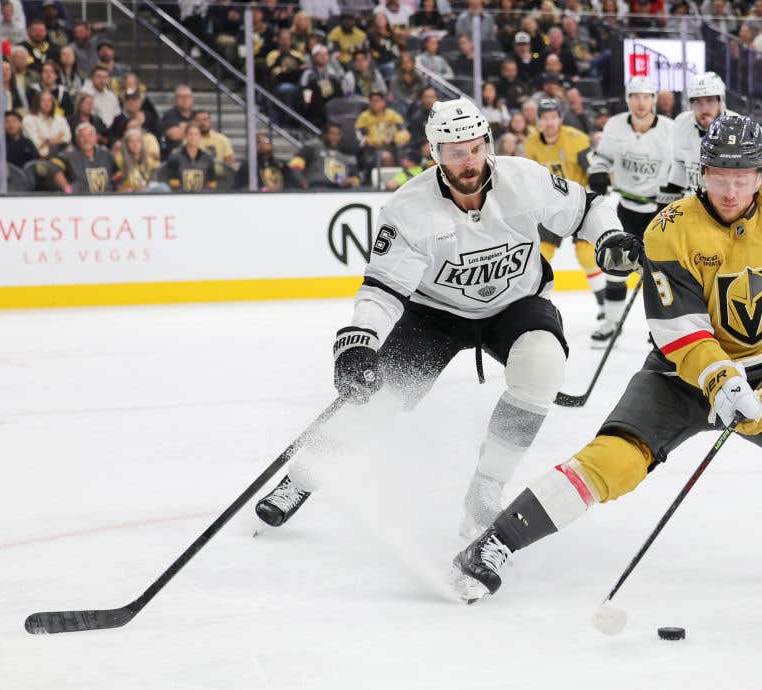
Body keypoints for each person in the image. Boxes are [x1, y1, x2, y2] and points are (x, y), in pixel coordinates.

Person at [451, 115, 762, 603]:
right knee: (615, 462)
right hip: (680, 375)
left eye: (742, 177)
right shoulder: (669, 230)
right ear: (701, 173)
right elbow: (680, 331)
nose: (730, 190)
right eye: (719, 176)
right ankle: (494, 544)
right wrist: (722, 381)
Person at [253, 98, 638, 539]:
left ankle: (487, 487)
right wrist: (360, 340)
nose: (469, 161)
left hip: (515, 304)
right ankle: (300, 478)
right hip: (435, 313)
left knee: (543, 367)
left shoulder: (523, 179)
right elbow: (382, 290)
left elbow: (587, 208)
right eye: (455, 152)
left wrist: (609, 237)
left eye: (475, 148)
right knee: (376, 397)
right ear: (434, 152)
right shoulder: (408, 208)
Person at [587, 75, 675, 345]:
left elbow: (679, 168)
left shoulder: (670, 129)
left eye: (646, 96)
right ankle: (612, 323)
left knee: (661, 272)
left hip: (659, 210)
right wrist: (599, 172)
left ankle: (662, 329)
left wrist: (671, 196)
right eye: (635, 97)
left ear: (654, 100)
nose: (640, 103)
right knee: (616, 264)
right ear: (628, 99)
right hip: (626, 208)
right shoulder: (615, 125)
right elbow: (602, 158)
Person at [524, 97, 608, 339]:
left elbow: (594, 168)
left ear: (560, 118)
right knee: (541, 257)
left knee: (585, 255)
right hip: (549, 209)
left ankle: (604, 305)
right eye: (544, 117)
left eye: (553, 117)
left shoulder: (576, 139)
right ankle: (534, 306)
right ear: (538, 120)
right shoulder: (531, 144)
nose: (549, 122)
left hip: (578, 205)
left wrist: (599, 179)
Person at [665, 71, 762, 198]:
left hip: (731, 203)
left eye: (710, 101)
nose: (704, 109)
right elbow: (679, 166)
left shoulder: (744, 128)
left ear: (721, 101)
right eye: (698, 102)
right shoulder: (681, 123)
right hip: (696, 205)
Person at [288, 122, 362, 189]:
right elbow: (294, 166)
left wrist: (350, 181)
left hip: (339, 193)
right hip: (316, 189)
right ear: (324, 135)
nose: (335, 137)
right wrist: (302, 183)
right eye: (332, 134)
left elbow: (357, 178)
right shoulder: (313, 148)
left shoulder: (344, 155)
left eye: (338, 134)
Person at [55, 122, 115, 193]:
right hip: (80, 198)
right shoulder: (68, 156)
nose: (87, 140)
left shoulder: (106, 154)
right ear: (76, 139)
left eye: (90, 136)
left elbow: (118, 174)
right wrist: (68, 190)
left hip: (108, 198)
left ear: (96, 138)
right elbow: (54, 169)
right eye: (82, 136)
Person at [235, 131, 300, 191]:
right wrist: (263, 190)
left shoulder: (281, 165)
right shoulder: (247, 166)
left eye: (267, 142)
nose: (264, 145)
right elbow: (239, 189)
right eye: (259, 142)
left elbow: (292, 185)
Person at [165, 121, 217, 192]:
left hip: (203, 196)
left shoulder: (208, 157)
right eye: (190, 134)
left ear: (200, 137)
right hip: (180, 196)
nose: (193, 137)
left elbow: (212, 184)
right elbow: (173, 184)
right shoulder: (175, 156)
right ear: (185, 136)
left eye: (196, 134)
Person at [21, 88, 69, 157]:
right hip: (39, 158)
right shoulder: (28, 119)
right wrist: (58, 139)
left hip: (62, 156)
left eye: (49, 100)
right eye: (43, 100)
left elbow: (67, 139)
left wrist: (47, 141)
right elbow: (37, 144)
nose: (47, 103)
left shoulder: (60, 119)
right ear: (37, 102)